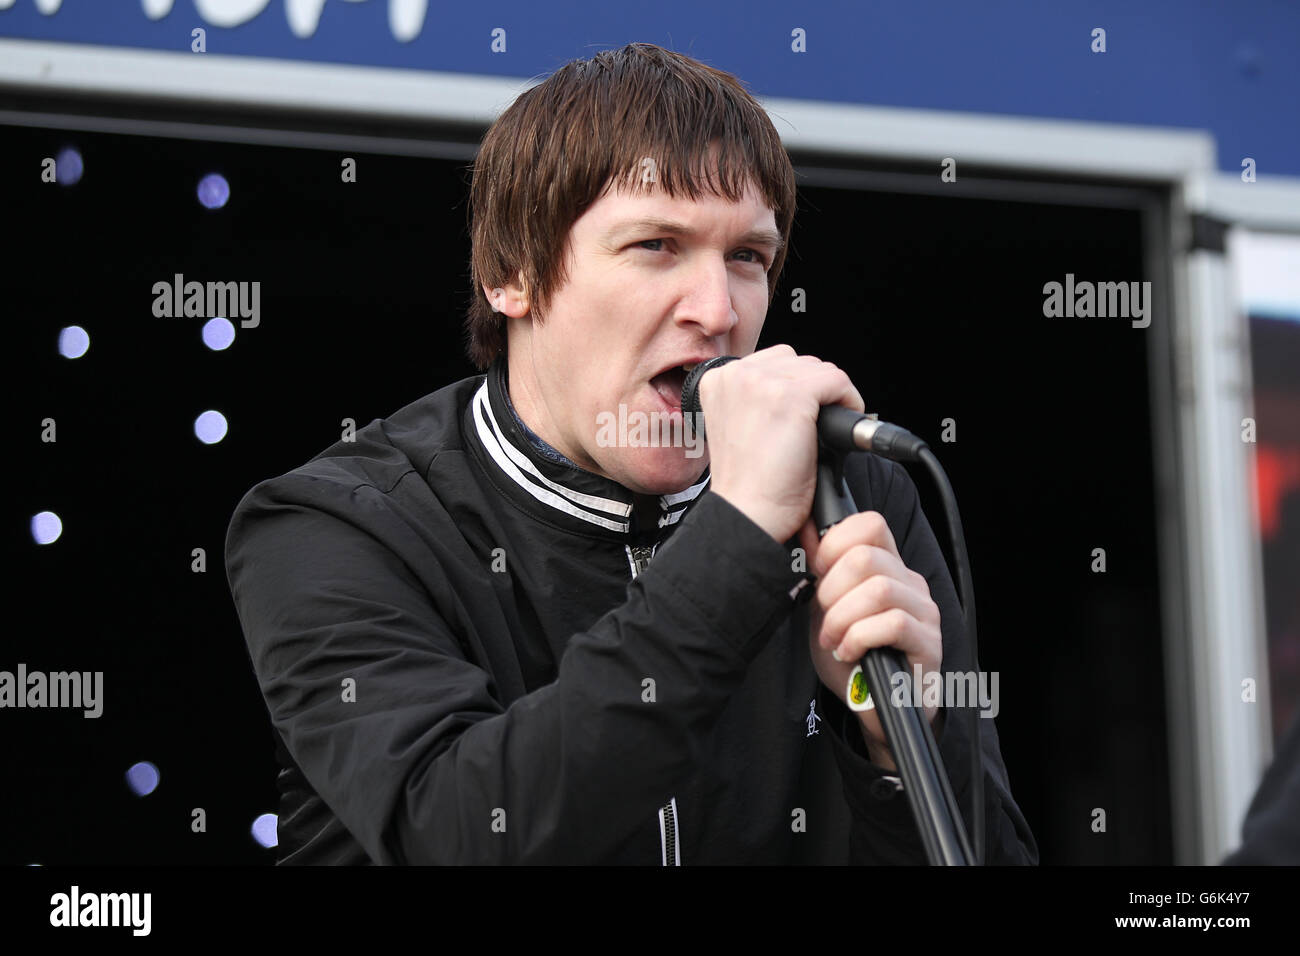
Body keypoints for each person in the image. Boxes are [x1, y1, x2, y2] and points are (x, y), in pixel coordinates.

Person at [225, 42, 1038, 865]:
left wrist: (899, 749)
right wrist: (742, 537)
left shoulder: (857, 499)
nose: (717, 310)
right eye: (656, 245)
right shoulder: (335, 525)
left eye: (747, 257)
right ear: (511, 274)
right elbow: (462, 833)